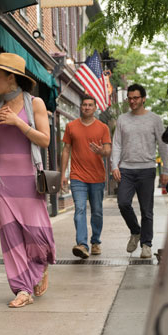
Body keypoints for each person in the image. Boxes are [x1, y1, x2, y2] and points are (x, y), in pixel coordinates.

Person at [0, 53, 56, 308]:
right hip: (2, 180)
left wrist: (17, 122)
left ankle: (40, 266)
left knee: (35, 232)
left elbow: (45, 140)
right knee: (11, 236)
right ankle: (22, 289)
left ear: (11, 78)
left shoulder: (34, 104)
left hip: (29, 179)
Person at [111, 84, 168, 259]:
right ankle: (135, 231)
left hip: (147, 169)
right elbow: (117, 144)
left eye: (136, 98)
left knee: (147, 210)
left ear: (143, 98)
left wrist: (166, 169)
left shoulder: (154, 119)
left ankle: (146, 244)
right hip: (126, 170)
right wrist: (115, 165)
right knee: (123, 203)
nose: (132, 101)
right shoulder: (122, 119)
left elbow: (163, 145)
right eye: (130, 98)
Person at [60, 95, 112, 259]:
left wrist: (101, 151)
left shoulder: (103, 127)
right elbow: (66, 150)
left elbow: (108, 150)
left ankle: (95, 241)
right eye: (84, 105)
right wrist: (63, 174)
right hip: (77, 176)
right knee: (80, 209)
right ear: (80, 107)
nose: (87, 107)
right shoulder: (71, 126)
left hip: (97, 177)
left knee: (97, 211)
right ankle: (82, 244)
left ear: (95, 108)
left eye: (90, 105)